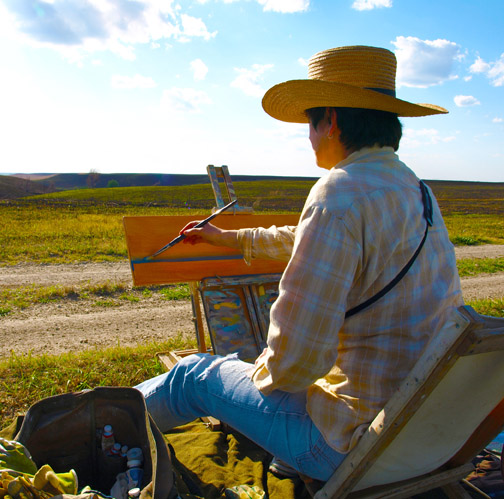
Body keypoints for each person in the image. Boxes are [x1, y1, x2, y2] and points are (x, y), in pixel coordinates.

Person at [135, 45, 463, 482]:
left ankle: (88, 422)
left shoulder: (337, 194)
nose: (307, 136)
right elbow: (312, 238)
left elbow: (293, 366)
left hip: (352, 447)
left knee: (194, 375)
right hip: (421, 433)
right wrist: (228, 237)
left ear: (330, 119)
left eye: (310, 122)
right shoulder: (415, 190)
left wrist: (246, 372)